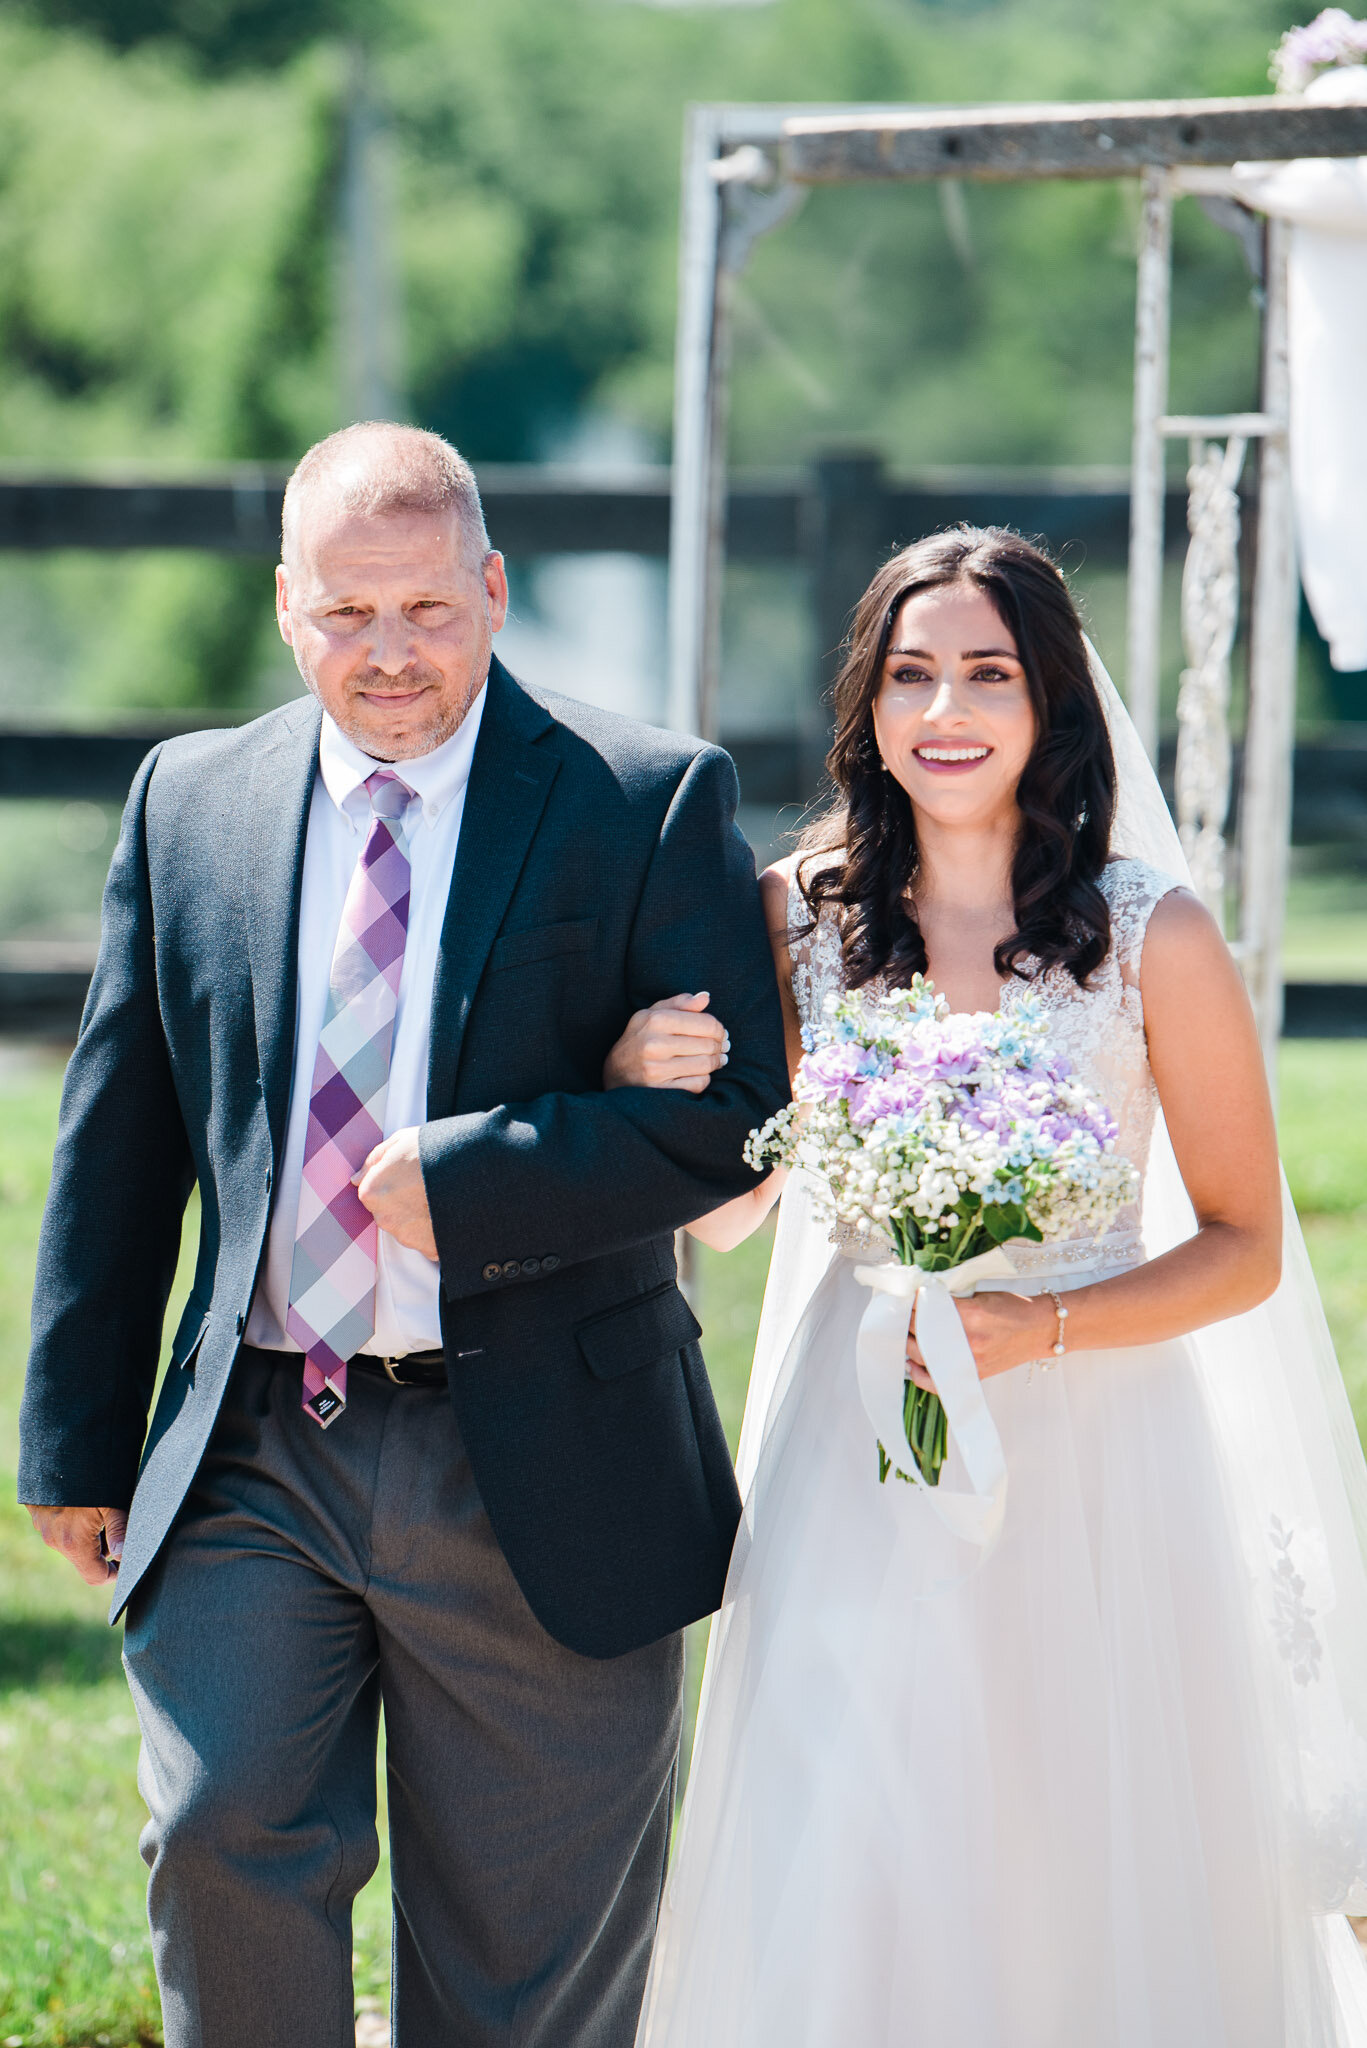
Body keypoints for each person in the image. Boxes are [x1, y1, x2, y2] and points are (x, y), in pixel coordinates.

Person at [18, 421, 789, 2048]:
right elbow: (122, 1130)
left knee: (526, 1960)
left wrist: (477, 1174)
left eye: (427, 610)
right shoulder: (190, 801)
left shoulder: (642, 800)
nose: (388, 655)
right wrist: (75, 1435)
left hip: (547, 1456)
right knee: (222, 1831)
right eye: (347, 613)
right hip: (256, 1444)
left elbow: (737, 1125)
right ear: (287, 606)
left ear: (495, 590)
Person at [610, 528, 1367, 2045]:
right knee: (858, 1811)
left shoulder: (1155, 932)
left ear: (1052, 705)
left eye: (986, 674)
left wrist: (1042, 1325)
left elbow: (1245, 1245)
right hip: (859, 1424)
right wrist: (645, 1085)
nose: (943, 710)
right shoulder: (796, 915)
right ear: (868, 704)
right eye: (910, 675)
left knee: (1070, 1822)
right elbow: (741, 1211)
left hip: (1100, 1447)